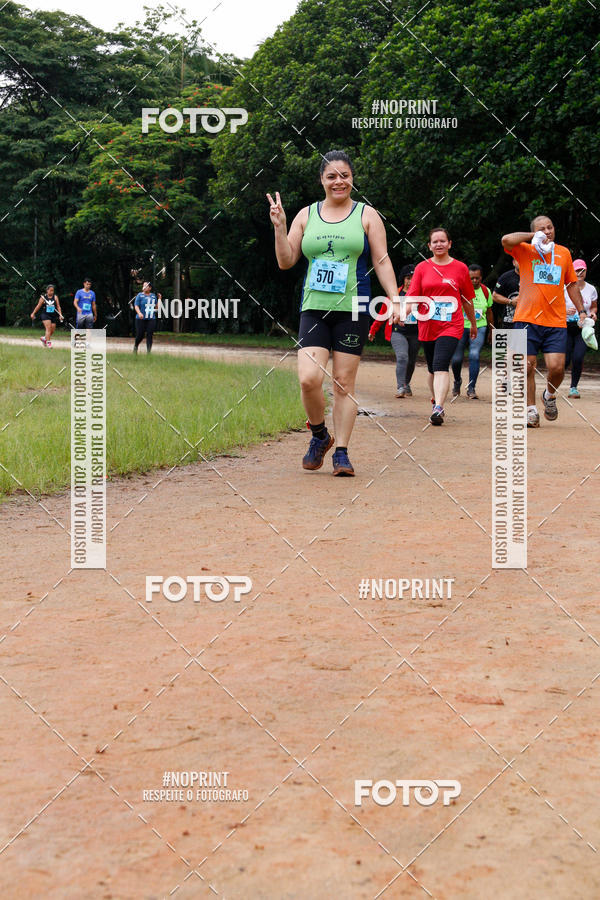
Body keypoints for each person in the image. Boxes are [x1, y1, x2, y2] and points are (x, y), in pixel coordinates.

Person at [267, 149, 399, 476]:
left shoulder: (367, 215)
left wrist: (395, 298)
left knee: (343, 382)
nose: (339, 181)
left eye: (344, 175)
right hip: (314, 306)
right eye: (331, 176)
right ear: (322, 181)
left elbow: (381, 260)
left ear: (352, 178)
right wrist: (280, 227)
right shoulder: (306, 215)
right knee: (308, 378)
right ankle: (319, 435)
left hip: (354, 307)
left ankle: (341, 451)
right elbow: (286, 261)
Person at [501, 216, 585, 427]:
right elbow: (505, 240)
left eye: (550, 227)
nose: (547, 231)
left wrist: (582, 311)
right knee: (526, 366)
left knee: (556, 368)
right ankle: (531, 411)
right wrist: (533, 237)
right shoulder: (525, 250)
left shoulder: (563, 253)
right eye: (541, 229)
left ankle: (549, 395)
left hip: (555, 320)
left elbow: (572, 284)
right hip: (526, 318)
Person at [400, 227, 477, 425]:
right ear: (429, 246)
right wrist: (402, 313)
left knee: (441, 364)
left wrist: (474, 325)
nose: (439, 244)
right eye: (435, 241)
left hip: (451, 324)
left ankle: (439, 408)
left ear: (450, 244)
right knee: (433, 369)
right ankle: (436, 399)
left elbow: (467, 300)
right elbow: (412, 296)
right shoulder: (422, 268)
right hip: (427, 325)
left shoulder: (460, 268)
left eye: (443, 241)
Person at [368, 264, 419, 398]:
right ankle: (400, 387)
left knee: (412, 361)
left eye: (413, 278)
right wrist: (373, 330)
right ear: (403, 279)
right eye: (408, 278)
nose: (410, 281)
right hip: (397, 332)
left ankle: (406, 383)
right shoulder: (394, 294)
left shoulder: (421, 295)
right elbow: (382, 314)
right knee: (403, 357)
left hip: (416, 333)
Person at [451, 264, 493, 399]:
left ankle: (471, 388)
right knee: (457, 359)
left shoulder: (486, 291)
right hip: (461, 327)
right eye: (471, 278)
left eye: (477, 278)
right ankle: (457, 381)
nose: (474, 281)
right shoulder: (459, 290)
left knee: (474, 355)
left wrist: (492, 330)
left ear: (481, 277)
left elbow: (490, 311)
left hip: (480, 326)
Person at [564, 259, 597, 398]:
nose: (580, 273)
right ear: (572, 271)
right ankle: (552, 384)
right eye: (577, 270)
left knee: (578, 357)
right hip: (565, 327)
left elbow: (594, 306)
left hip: (583, 328)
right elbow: (553, 306)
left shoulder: (591, 289)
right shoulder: (564, 287)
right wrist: (565, 311)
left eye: (582, 270)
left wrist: (593, 313)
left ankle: (573, 388)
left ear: (586, 271)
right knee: (564, 360)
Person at [133, 282, 160, 354]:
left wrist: (159, 299)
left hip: (151, 318)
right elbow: (136, 306)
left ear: (150, 288)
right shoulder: (139, 295)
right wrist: (139, 313)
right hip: (140, 318)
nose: (144, 287)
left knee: (150, 334)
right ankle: (136, 346)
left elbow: (156, 307)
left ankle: (149, 352)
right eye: (144, 286)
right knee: (140, 334)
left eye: (146, 286)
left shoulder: (153, 296)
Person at [493, 258, 520, 329]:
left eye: (523, 260)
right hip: (509, 321)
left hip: (530, 322)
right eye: (518, 260)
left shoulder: (534, 277)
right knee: (510, 340)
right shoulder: (505, 277)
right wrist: (510, 301)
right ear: (513, 262)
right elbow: (494, 296)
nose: (521, 262)